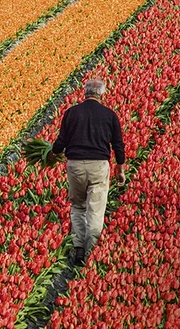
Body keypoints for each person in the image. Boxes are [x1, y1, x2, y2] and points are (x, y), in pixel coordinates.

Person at [49, 78, 125, 267]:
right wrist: (120, 169)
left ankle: (78, 247)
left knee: (78, 206)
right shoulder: (109, 115)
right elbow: (118, 145)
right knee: (96, 209)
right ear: (101, 94)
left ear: (85, 93)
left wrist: (51, 155)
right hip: (99, 166)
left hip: (75, 165)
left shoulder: (72, 113)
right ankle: (91, 249)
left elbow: (61, 141)